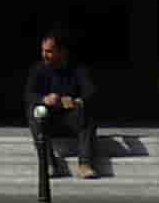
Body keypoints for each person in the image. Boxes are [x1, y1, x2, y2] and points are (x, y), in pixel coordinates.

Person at [25, 32, 104, 179]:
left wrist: (76, 101)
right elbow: (28, 95)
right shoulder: (38, 69)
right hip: (48, 121)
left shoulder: (77, 69)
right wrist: (45, 99)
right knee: (34, 111)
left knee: (86, 111)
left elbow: (91, 91)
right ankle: (49, 164)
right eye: (43, 51)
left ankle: (85, 164)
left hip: (71, 120)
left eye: (49, 51)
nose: (44, 55)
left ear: (61, 51)